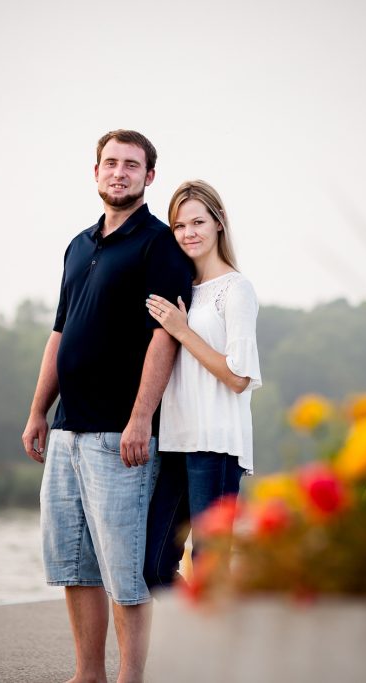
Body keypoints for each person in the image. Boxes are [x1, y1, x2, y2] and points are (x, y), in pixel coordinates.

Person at [21, 130, 193, 683]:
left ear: (149, 176)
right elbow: (59, 333)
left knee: (124, 569)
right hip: (68, 429)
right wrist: (38, 411)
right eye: (111, 163)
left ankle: (129, 678)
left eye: (131, 165)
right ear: (95, 171)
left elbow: (165, 336)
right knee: (74, 563)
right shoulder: (78, 245)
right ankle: (87, 675)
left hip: (120, 435)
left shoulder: (159, 244)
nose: (119, 172)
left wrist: (140, 417)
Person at [143, 179, 262, 590]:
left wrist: (182, 330)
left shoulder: (236, 289)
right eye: (179, 225)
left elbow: (238, 376)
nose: (188, 233)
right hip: (176, 441)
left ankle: (214, 630)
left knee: (209, 568)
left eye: (197, 222)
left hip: (216, 444)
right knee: (153, 566)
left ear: (219, 223)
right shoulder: (183, 288)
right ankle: (203, 624)